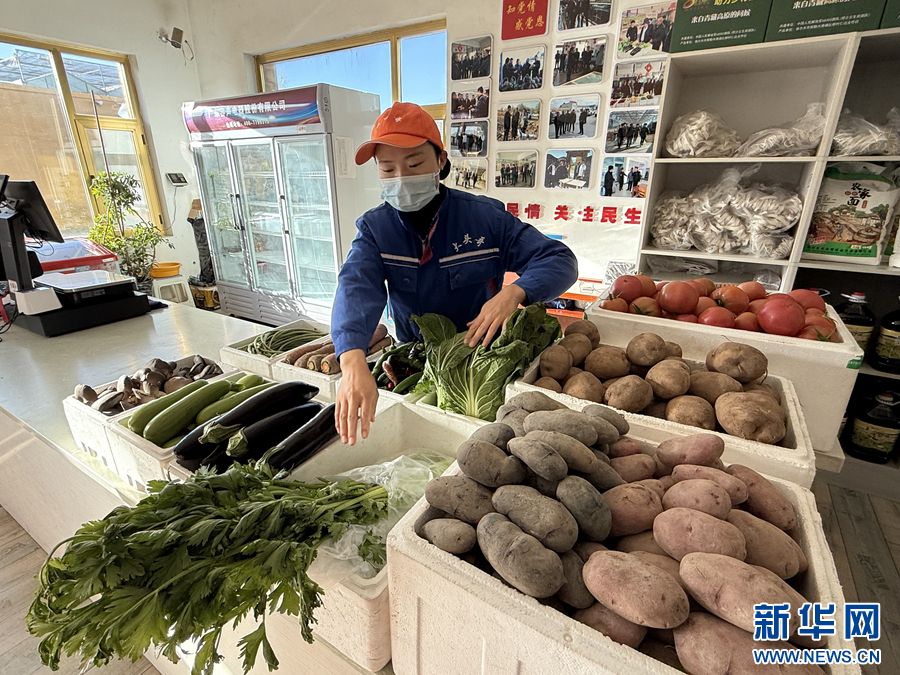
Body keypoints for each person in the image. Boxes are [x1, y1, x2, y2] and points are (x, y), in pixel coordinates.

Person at [332, 103, 577, 444]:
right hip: (417, 363)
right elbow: (355, 288)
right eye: (387, 168)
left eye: (414, 164)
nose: (401, 178)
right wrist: (351, 360)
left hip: (485, 361)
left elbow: (559, 259)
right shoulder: (376, 229)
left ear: (441, 161)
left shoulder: (485, 219)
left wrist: (514, 292)